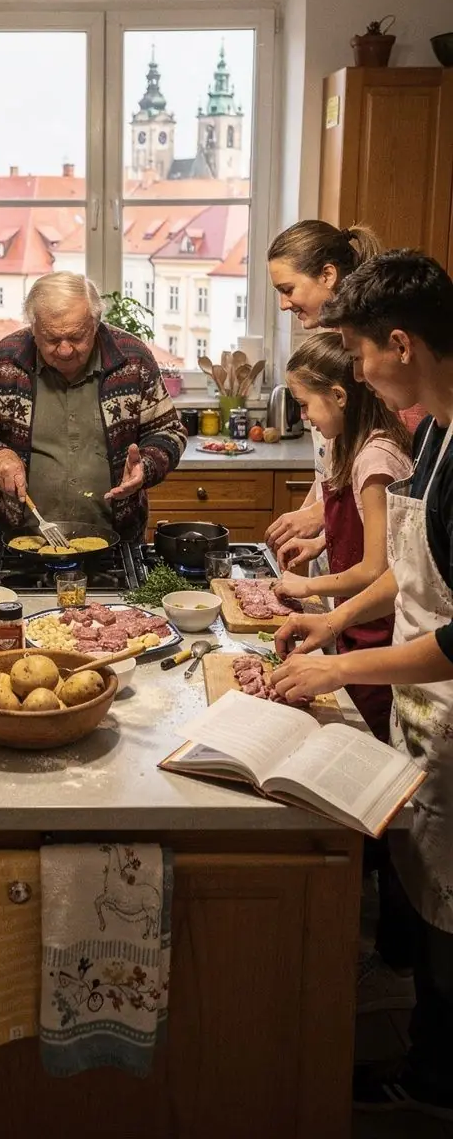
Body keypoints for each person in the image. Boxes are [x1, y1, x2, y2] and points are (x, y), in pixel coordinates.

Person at [272, 252, 453, 1119]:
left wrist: (336, 664)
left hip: (447, 706)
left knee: (451, 929)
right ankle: (424, 1063)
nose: (357, 369)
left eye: (355, 348)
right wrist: (334, 620)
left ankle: (431, 1091)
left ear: (399, 341)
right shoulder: (441, 435)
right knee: (424, 910)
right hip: (423, 709)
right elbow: (407, 576)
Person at [0, 273, 186, 540]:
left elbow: (170, 431)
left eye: (76, 337)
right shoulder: (3, 362)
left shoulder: (133, 360)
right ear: (33, 327)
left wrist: (147, 465)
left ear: (95, 324)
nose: (65, 350)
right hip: (20, 545)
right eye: (51, 339)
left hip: (116, 544)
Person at [274, 331, 412, 738]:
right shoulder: (346, 446)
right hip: (356, 627)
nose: (303, 418)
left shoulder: (375, 460)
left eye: (304, 405)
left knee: (370, 738)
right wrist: (321, 541)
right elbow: (366, 530)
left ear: (339, 396)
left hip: (379, 632)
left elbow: (376, 569)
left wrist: (306, 585)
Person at [265, 220, 383, 562]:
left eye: (288, 289)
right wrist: (316, 521)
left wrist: (321, 513)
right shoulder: (336, 343)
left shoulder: (374, 356)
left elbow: (392, 471)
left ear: (328, 275)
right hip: (344, 544)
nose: (284, 304)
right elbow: (338, 465)